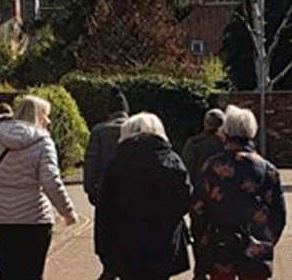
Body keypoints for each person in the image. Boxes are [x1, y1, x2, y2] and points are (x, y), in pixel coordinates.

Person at [0, 95, 78, 280]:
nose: (48, 120)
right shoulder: (43, 142)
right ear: (39, 115)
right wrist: (67, 212)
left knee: (5, 274)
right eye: (47, 115)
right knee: (31, 274)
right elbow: (51, 181)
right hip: (34, 220)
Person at [192, 105, 286, 280]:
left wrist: (201, 243)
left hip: (219, 245)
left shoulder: (212, 165)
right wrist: (267, 242)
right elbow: (278, 214)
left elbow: (199, 209)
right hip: (254, 247)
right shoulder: (267, 169)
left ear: (226, 131)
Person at [95, 112, 192, 280]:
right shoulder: (172, 161)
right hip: (163, 243)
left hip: (125, 243)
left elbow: (104, 209)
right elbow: (184, 201)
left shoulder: (116, 164)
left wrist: (103, 250)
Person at [84, 86, 129, 280]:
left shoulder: (99, 131)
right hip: (130, 192)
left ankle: (109, 267)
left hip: (105, 192)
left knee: (105, 233)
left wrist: (90, 189)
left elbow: (91, 162)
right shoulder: (135, 128)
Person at [181, 108, 225, 280]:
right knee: (222, 236)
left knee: (199, 236)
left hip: (199, 200)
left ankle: (200, 271)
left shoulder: (194, 144)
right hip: (223, 201)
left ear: (205, 123)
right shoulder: (226, 144)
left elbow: (185, 172)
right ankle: (218, 269)